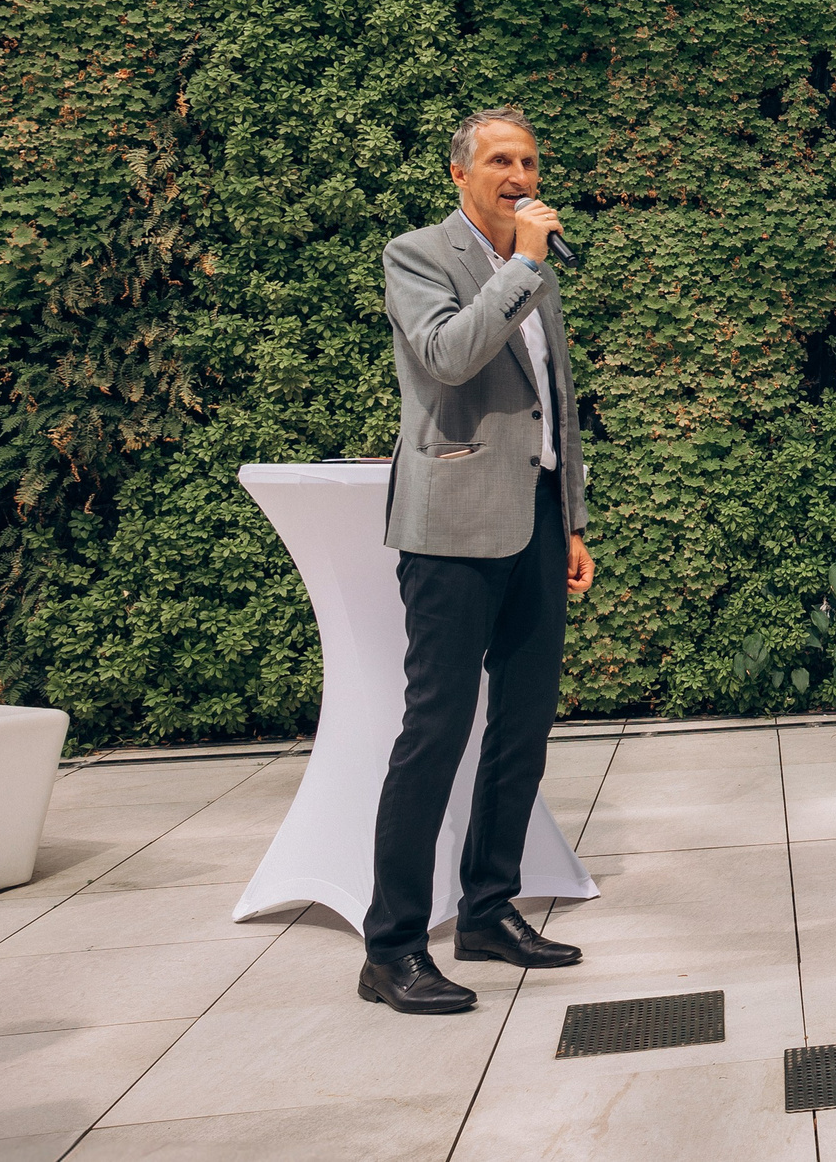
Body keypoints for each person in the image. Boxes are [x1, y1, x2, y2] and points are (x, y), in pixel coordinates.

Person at [361, 107, 594, 1015]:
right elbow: (449, 357)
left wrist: (571, 517)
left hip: (534, 520)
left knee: (523, 724)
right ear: (460, 174)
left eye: (530, 158)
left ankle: (489, 907)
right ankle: (392, 948)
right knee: (436, 732)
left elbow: (558, 404)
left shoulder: (537, 268)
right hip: (450, 526)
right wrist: (524, 267)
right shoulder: (416, 254)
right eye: (500, 159)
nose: (520, 172)